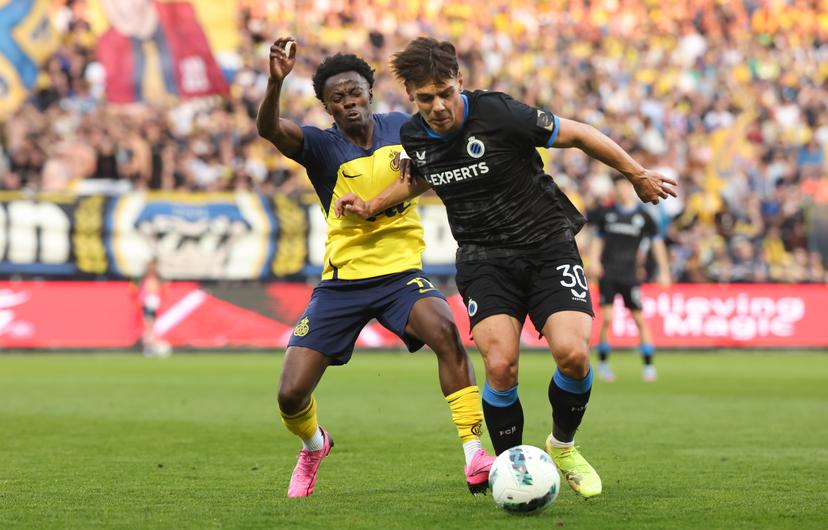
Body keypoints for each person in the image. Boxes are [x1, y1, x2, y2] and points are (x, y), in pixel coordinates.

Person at [335, 37, 677, 498]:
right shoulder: (415, 137)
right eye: (426, 98)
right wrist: (372, 205)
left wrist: (636, 174)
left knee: (574, 356)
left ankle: (563, 445)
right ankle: (514, 470)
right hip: (483, 259)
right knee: (499, 366)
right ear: (411, 97)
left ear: (460, 82)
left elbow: (578, 133)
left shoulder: (498, 113)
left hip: (547, 246)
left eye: (445, 93)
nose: (438, 106)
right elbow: (420, 179)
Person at [256, 37, 494, 498]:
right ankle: (314, 446)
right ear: (327, 106)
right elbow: (269, 129)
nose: (348, 102)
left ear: (370, 91)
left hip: (401, 275)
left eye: (354, 92)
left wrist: (419, 167)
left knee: (446, 332)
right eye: (337, 98)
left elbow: (442, 159)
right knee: (290, 394)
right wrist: (275, 82)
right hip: (342, 282)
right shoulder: (319, 146)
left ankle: (474, 454)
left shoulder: (406, 128)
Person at [589, 176, 672, 383]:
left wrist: (664, 270)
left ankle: (648, 365)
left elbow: (657, 243)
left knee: (639, 319)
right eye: (618, 187)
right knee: (607, 319)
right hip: (608, 273)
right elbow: (598, 240)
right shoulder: (607, 214)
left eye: (625, 186)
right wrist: (594, 261)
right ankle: (603, 363)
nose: (621, 190)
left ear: (632, 189)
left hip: (629, 275)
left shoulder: (643, 216)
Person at [138, 258, 170, 358]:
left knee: (151, 326)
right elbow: (147, 291)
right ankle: (148, 346)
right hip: (148, 304)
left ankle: (150, 346)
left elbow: (156, 289)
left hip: (152, 304)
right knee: (149, 326)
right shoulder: (147, 278)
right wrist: (146, 299)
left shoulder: (156, 278)